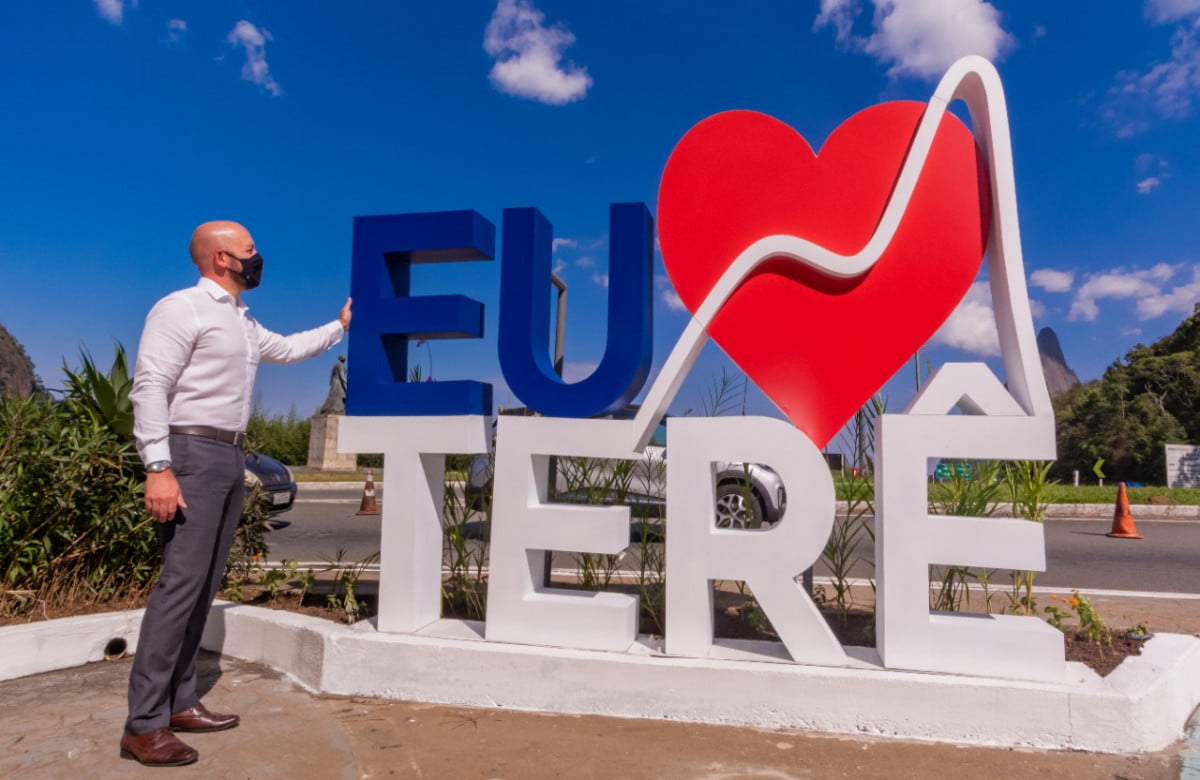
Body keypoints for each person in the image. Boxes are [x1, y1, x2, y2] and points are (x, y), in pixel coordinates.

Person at [121, 220, 352, 767]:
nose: (258, 257)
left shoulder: (242, 322)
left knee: (202, 586)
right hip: (190, 452)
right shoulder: (182, 308)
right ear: (222, 258)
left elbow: (292, 349)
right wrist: (158, 465)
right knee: (180, 584)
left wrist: (340, 325)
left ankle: (179, 702)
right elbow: (150, 385)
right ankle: (143, 724)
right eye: (250, 250)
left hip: (230, 456)